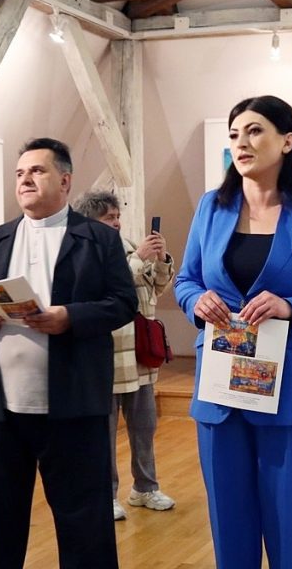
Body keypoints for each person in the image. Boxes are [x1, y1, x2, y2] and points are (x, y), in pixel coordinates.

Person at [173, 95, 292, 569]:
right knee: (229, 534)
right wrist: (197, 300)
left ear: (287, 141)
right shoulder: (211, 208)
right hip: (220, 393)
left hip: (291, 398)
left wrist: (291, 308)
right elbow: (185, 280)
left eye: (255, 131)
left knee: (288, 534)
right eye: (235, 133)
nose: (242, 142)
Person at [0, 138, 137, 569]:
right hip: (3, 408)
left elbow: (123, 303)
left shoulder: (97, 239)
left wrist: (68, 317)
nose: (25, 180)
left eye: (36, 171)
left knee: (84, 520)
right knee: (0, 515)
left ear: (65, 180)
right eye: (20, 174)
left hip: (73, 404)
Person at [73, 190, 177, 521]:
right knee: (102, 434)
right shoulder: (81, 252)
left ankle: (145, 488)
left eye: (118, 216)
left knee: (144, 428)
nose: (116, 222)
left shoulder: (132, 247)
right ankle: (105, 495)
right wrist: (137, 260)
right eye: (108, 217)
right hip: (106, 360)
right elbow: (100, 285)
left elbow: (157, 288)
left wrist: (160, 260)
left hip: (140, 356)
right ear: (90, 221)